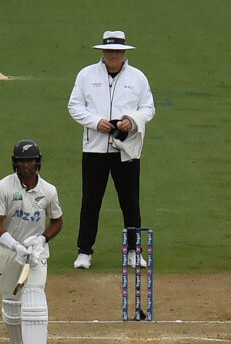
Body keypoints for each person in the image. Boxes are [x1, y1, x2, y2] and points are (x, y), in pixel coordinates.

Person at [67, 30, 155, 270]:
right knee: (90, 201)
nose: (113, 55)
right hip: (94, 148)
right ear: (103, 51)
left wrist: (131, 121)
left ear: (124, 52)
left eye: (117, 51)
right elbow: (74, 106)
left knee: (130, 202)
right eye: (109, 50)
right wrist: (96, 122)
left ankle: (134, 252)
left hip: (126, 149)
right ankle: (84, 252)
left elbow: (148, 108)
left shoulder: (138, 77)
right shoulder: (86, 75)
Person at [0, 139, 63, 344]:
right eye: (22, 161)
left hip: (36, 254)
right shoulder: (3, 187)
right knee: (12, 309)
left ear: (38, 162)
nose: (27, 165)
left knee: (34, 303)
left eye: (30, 160)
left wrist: (41, 240)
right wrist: (16, 247)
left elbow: (57, 222)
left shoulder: (48, 191)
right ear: (15, 163)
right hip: (7, 252)